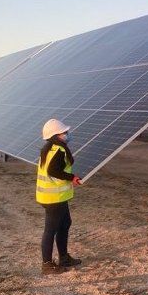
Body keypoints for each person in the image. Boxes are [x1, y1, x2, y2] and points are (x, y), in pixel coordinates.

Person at [36, 118, 83, 275]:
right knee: (51, 229)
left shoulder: (50, 149)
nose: (67, 134)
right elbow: (53, 171)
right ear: (57, 135)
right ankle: (47, 265)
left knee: (65, 223)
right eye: (64, 132)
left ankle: (63, 258)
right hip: (53, 198)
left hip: (56, 196)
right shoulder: (58, 150)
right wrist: (72, 177)